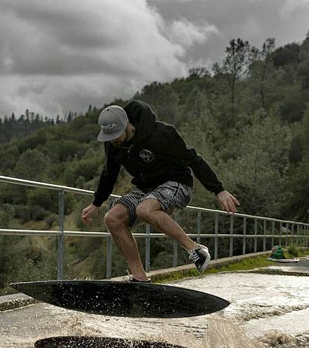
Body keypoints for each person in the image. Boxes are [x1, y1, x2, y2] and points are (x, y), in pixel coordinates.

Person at [81, 100, 240, 282]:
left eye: (117, 134)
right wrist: (97, 202)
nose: (115, 140)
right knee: (112, 218)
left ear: (128, 125)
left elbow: (193, 159)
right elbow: (109, 173)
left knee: (144, 209)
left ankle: (196, 250)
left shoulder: (161, 134)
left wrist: (218, 190)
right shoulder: (113, 144)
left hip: (177, 182)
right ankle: (140, 278)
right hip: (146, 189)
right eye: (110, 137)